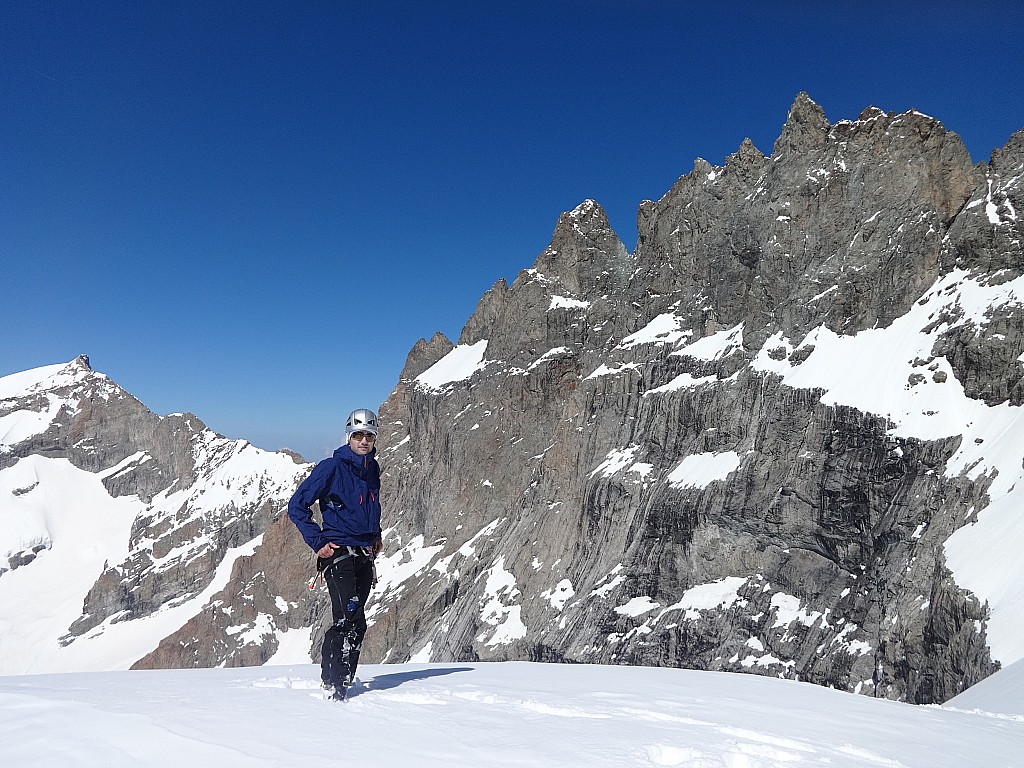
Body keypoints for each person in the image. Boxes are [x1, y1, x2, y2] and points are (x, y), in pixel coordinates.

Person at [288, 408, 383, 700]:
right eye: (358, 435)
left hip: (363, 554)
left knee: (357, 621)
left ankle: (340, 677)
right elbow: (297, 506)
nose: (363, 441)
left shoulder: (372, 470)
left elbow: (369, 507)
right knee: (347, 617)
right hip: (338, 552)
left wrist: (375, 536)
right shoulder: (331, 467)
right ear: (348, 437)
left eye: (368, 435)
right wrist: (318, 542)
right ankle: (335, 684)